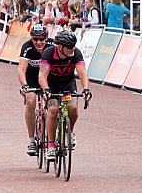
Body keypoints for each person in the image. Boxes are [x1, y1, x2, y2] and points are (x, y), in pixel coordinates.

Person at [38, 31, 91, 161]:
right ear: (60, 47)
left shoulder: (76, 53)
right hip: (51, 85)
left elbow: (82, 72)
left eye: (73, 46)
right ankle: (50, 146)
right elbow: (42, 75)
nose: (72, 49)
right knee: (53, 110)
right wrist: (45, 89)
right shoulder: (49, 53)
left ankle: (70, 131)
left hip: (68, 84)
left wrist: (86, 89)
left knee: (73, 108)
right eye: (69, 47)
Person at [18, 24, 53, 156]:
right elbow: (21, 69)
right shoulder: (26, 47)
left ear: (46, 38)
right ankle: (31, 140)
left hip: (48, 77)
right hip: (32, 77)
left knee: (53, 104)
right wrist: (24, 85)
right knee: (31, 101)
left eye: (41, 39)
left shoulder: (52, 45)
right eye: (35, 39)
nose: (38, 42)